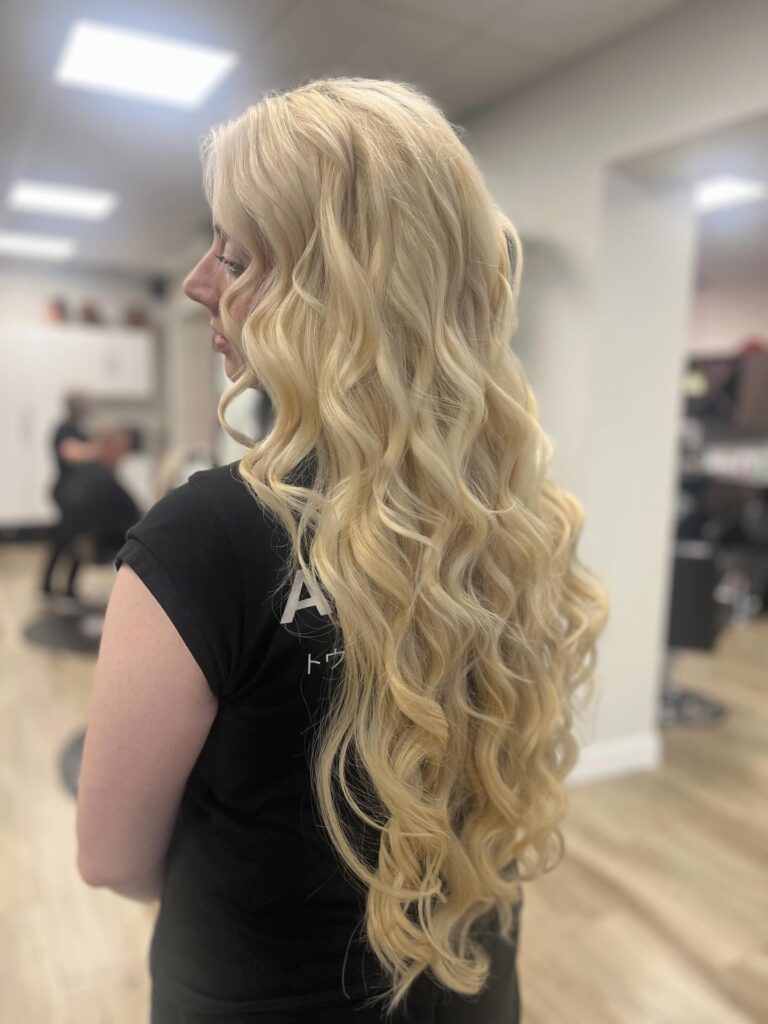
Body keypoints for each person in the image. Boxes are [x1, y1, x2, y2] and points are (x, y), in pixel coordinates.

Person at [75, 78, 610, 1023]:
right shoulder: (517, 513)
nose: (201, 281)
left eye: (235, 256)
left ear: (336, 293)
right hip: (475, 987)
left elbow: (111, 858)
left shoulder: (207, 539)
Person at [42, 391, 139, 603]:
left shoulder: (82, 432)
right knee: (63, 541)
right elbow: (71, 453)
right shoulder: (64, 429)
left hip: (84, 497)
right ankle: (47, 587)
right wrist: (102, 447)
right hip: (70, 494)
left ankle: (68, 589)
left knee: (76, 543)